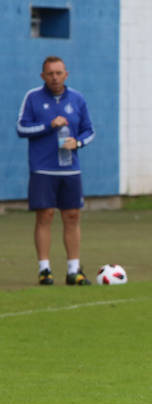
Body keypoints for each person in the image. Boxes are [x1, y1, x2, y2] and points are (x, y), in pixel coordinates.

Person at [16, 56, 95, 285]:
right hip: (43, 168)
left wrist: (77, 143)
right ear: (43, 76)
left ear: (66, 74)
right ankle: (45, 269)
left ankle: (73, 271)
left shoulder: (77, 99)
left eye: (59, 73)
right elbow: (21, 127)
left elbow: (89, 131)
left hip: (70, 169)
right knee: (45, 215)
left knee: (72, 216)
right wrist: (48, 125)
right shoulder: (33, 98)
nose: (55, 77)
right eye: (50, 73)